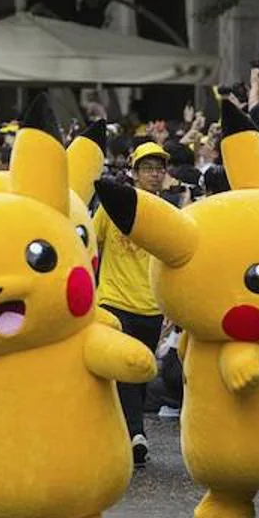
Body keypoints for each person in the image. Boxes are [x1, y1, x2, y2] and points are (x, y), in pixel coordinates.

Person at [93, 141, 169, 466]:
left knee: (139, 374)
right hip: (114, 301)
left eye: (159, 169)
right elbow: (91, 246)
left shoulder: (167, 212)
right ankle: (136, 433)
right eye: (148, 169)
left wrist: (171, 308)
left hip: (151, 307)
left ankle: (127, 434)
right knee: (124, 369)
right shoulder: (110, 207)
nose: (155, 175)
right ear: (134, 173)